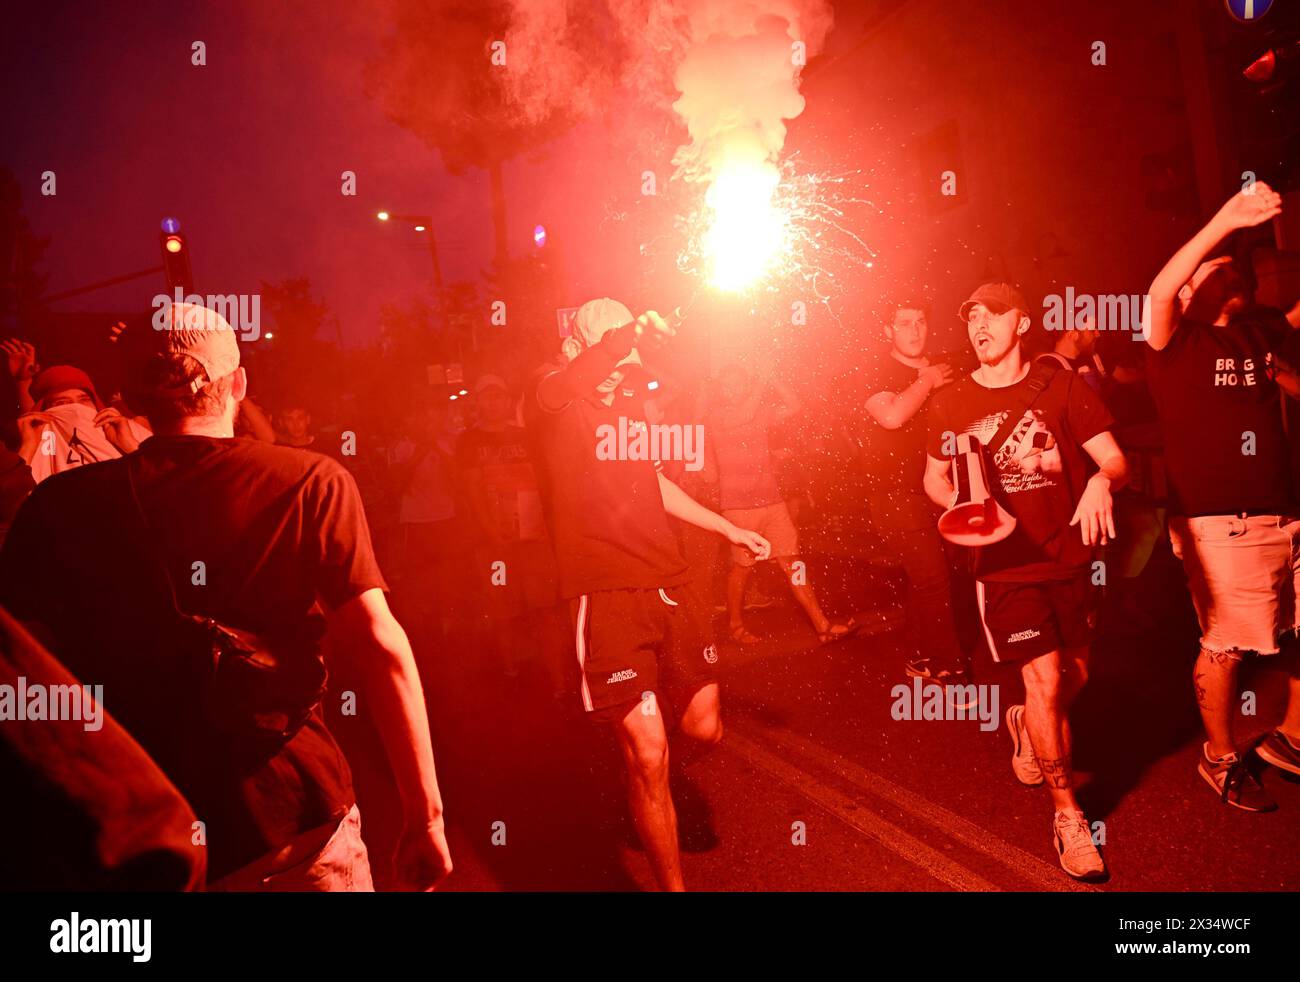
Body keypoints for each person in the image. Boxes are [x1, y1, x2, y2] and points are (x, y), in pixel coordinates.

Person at [0, 302, 452, 890]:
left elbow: (23, 675)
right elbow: (379, 645)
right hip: (293, 819)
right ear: (238, 383)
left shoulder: (58, 505)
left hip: (151, 836)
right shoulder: (310, 480)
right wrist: (426, 819)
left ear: (130, 399)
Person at [523, 297, 769, 891]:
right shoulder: (546, 396)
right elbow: (557, 392)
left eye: (626, 346)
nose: (621, 357)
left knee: (705, 729)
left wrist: (727, 525)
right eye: (606, 344)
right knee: (651, 750)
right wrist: (622, 337)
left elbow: (653, 482)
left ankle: (642, 780)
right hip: (603, 593)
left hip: (670, 581)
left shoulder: (630, 405)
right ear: (575, 347)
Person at [924, 282, 1127, 881]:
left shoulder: (1062, 387)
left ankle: (1021, 725)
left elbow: (1115, 458)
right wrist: (963, 509)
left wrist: (1098, 481)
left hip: (1068, 553)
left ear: (1020, 323)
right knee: (1041, 680)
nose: (978, 325)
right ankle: (1069, 816)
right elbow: (935, 481)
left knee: (1075, 675)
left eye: (991, 314)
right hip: (1004, 568)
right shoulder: (950, 402)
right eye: (970, 317)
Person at [1142, 181, 1300, 811]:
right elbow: (1157, 292)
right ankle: (1219, 756)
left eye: (1232, 268)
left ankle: (1288, 737)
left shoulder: (1260, 334)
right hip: (1220, 525)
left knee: (1291, 633)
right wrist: (1225, 220)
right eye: (1210, 268)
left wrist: (1284, 376)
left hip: (1288, 515)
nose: (1223, 267)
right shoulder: (1174, 344)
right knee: (1228, 643)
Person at [708, 361, 856, 645]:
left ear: (746, 385)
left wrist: (772, 376)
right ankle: (736, 625)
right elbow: (745, 413)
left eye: (737, 383)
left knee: (792, 563)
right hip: (739, 508)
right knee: (743, 568)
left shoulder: (759, 413)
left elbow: (795, 405)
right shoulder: (718, 416)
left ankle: (822, 625)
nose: (732, 389)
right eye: (727, 385)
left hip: (772, 503)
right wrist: (762, 382)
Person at [863, 300, 969, 683]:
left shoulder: (945, 368)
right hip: (894, 495)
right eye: (904, 323)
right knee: (933, 577)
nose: (914, 330)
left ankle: (923, 656)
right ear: (887, 331)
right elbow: (891, 416)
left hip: (938, 488)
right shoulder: (875, 370)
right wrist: (925, 380)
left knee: (928, 578)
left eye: (921, 322)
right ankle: (947, 665)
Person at [456, 372, 566, 695]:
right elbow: (471, 489)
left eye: (499, 396)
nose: (494, 402)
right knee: (503, 609)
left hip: (534, 538)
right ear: (478, 403)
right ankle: (510, 673)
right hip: (493, 544)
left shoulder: (526, 436)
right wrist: (491, 531)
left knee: (543, 606)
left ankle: (557, 678)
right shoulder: (469, 441)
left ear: (507, 400)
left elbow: (544, 482)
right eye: (487, 397)